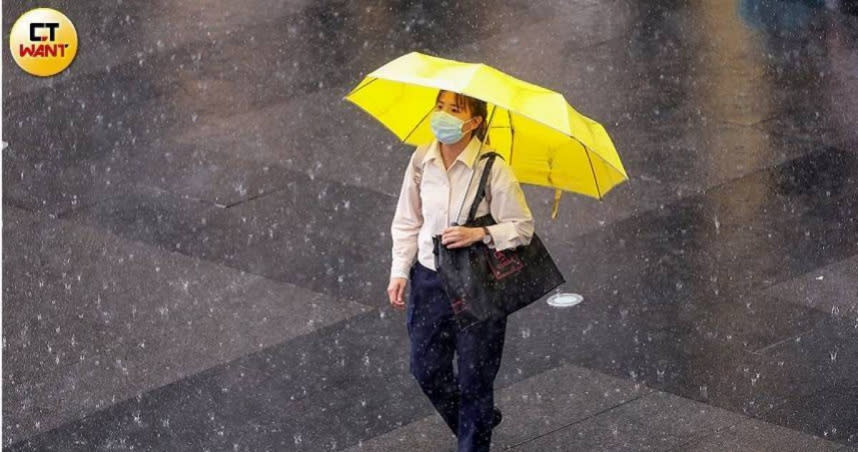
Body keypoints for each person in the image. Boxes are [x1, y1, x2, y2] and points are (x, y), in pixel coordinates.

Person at [387, 89, 534, 452]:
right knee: (427, 370)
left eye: (455, 109)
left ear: (474, 122)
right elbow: (407, 220)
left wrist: (480, 233)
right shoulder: (422, 160)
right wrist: (399, 271)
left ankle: (474, 434)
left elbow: (522, 227)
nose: (444, 116)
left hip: (477, 285)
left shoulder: (493, 168)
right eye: (440, 107)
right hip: (429, 280)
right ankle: (476, 420)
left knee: (475, 380)